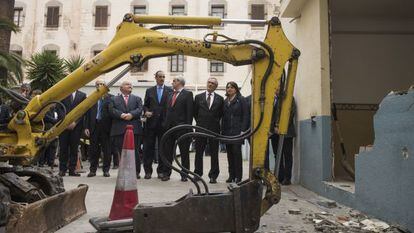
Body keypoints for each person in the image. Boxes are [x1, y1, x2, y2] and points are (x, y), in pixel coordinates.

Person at [161, 76, 193, 182]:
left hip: (182, 128)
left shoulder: (188, 94)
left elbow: (189, 113)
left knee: (184, 152)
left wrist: (188, 128)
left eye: (174, 81)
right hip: (169, 129)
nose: (172, 82)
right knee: (167, 152)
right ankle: (166, 173)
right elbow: (166, 111)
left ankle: (184, 174)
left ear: (180, 82)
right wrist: (165, 124)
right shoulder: (169, 94)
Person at [109, 81, 143, 179]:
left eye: (130, 84)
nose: (130, 85)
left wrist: (131, 114)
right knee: (122, 152)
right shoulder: (113, 99)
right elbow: (111, 110)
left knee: (135, 151)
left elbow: (140, 109)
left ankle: (136, 172)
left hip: (134, 129)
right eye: (127, 84)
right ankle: (125, 172)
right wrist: (121, 115)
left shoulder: (137, 98)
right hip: (119, 130)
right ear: (121, 88)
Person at [142, 71, 173, 179]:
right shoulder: (149, 91)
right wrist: (146, 111)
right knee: (148, 148)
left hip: (164, 125)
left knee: (162, 149)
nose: (162, 78)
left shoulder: (170, 91)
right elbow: (145, 105)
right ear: (155, 78)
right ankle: (148, 171)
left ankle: (161, 171)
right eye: (160, 77)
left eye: (163, 77)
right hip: (151, 124)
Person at [193, 77, 224, 184]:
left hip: (214, 130)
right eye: (209, 82)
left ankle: (213, 176)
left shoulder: (220, 99)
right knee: (198, 153)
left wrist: (213, 123)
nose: (210, 84)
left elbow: (220, 114)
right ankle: (197, 174)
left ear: (216, 86)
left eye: (213, 83)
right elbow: (195, 113)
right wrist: (202, 123)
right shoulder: (198, 97)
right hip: (200, 128)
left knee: (214, 154)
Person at [85, 80, 113, 177]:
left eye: (101, 84)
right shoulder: (91, 98)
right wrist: (86, 127)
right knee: (93, 150)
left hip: (106, 127)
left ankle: (106, 170)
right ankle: (93, 170)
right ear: (95, 86)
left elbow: (112, 113)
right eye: (97, 84)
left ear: (105, 86)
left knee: (107, 150)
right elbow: (87, 114)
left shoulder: (111, 98)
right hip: (94, 126)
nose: (99, 86)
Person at [221, 82, 248, 183]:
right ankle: (231, 175)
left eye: (232, 87)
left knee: (237, 153)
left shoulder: (241, 100)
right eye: (228, 87)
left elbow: (246, 115)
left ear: (236, 89)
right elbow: (223, 118)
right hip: (227, 132)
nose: (229, 89)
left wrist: (243, 130)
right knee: (229, 155)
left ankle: (238, 177)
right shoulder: (225, 101)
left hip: (237, 131)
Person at [267, 95, 296, 185]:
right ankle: (280, 177)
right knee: (277, 155)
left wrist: (280, 127)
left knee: (287, 155)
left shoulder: (289, 97)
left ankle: (287, 178)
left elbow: (290, 113)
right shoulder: (272, 98)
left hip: (286, 132)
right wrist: (272, 129)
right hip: (274, 133)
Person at [58, 89, 87, 176]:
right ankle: (62, 169)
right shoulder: (63, 93)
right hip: (63, 126)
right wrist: (65, 122)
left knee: (74, 149)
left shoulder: (82, 95)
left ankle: (72, 170)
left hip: (76, 127)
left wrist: (75, 122)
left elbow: (83, 110)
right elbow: (59, 108)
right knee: (63, 148)